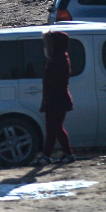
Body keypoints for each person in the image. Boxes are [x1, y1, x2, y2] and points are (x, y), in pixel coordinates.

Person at [37, 31, 74, 165]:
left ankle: (67, 154)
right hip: (55, 99)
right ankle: (48, 156)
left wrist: (48, 99)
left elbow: (55, 83)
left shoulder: (59, 60)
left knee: (55, 127)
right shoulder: (59, 58)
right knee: (52, 128)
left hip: (57, 100)